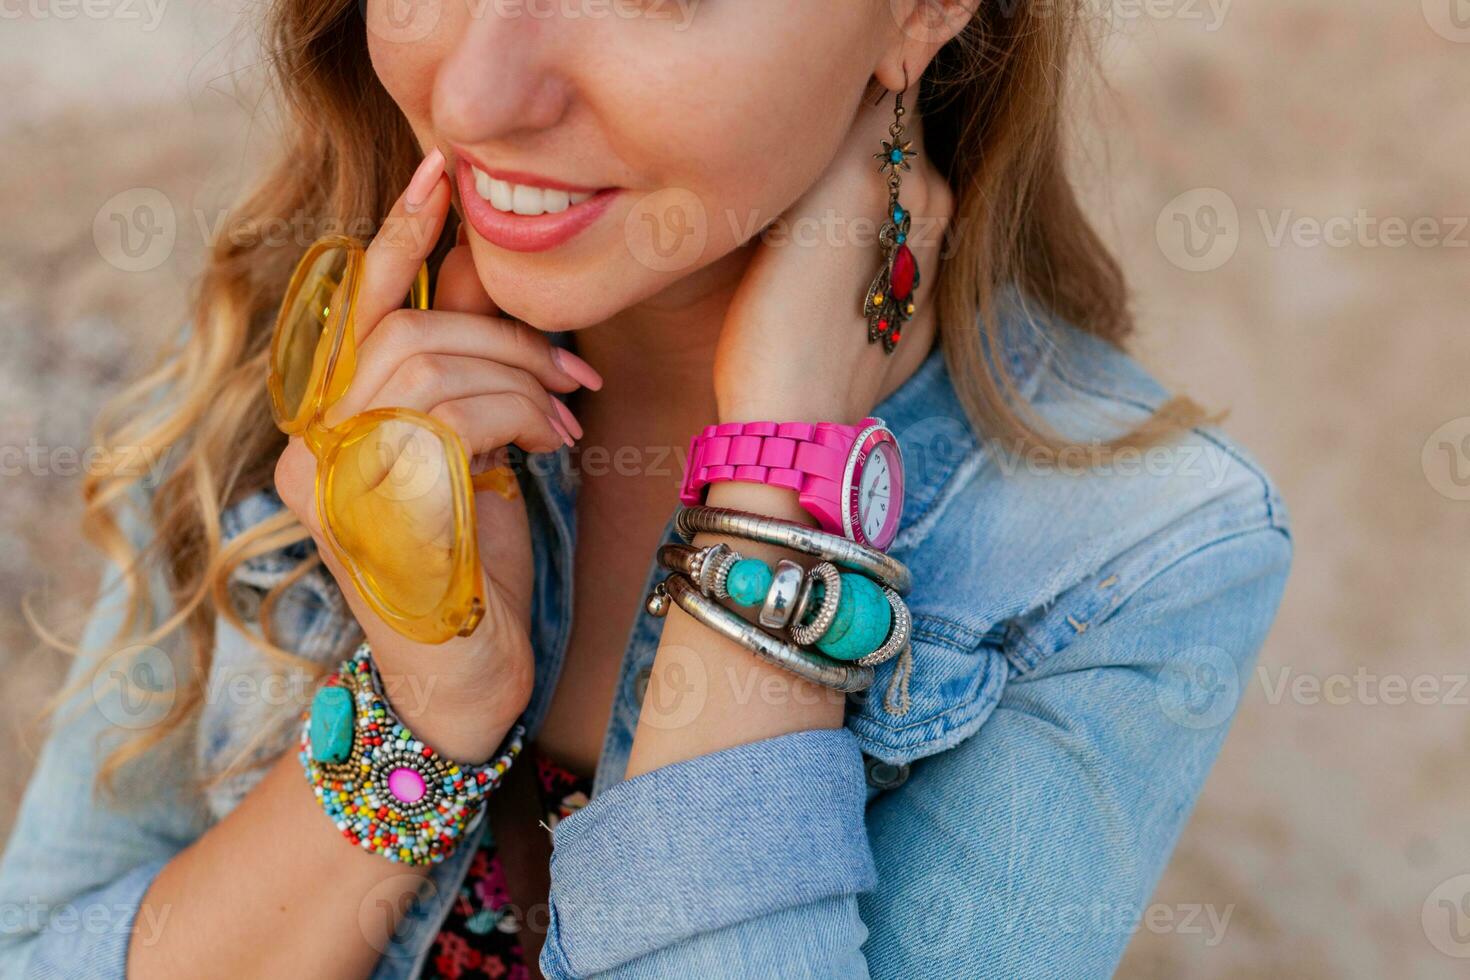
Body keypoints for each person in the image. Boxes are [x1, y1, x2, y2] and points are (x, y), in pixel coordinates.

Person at [0, 2, 1292, 977]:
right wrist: (424, 710)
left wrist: (776, 490)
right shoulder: (314, 357)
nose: (479, 88)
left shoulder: (1131, 556)